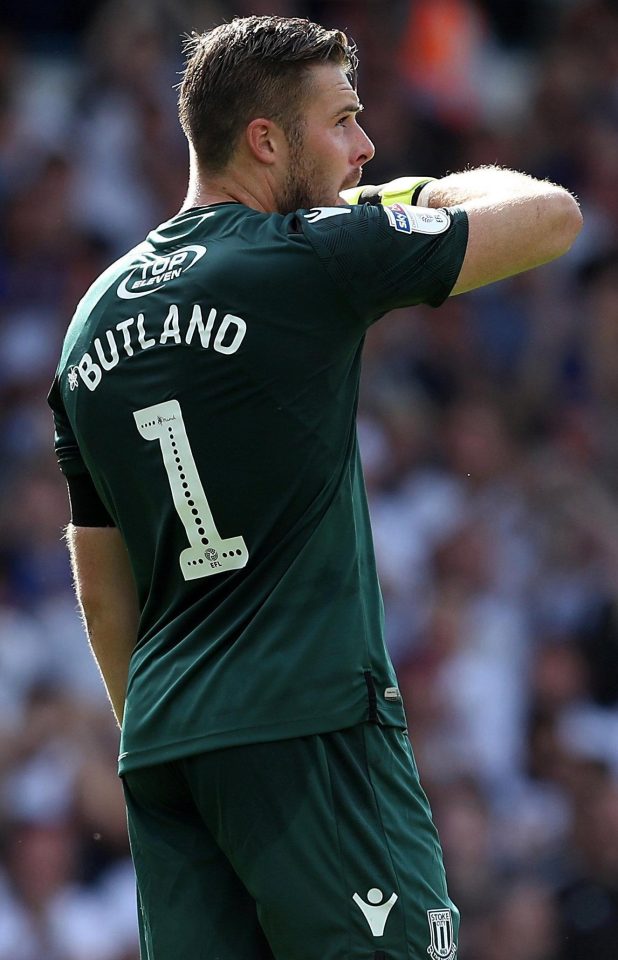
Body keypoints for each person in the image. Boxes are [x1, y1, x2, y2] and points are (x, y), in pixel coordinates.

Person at [48, 14, 582, 960]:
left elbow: (100, 587)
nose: (365, 147)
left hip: (170, 745)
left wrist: (182, 731)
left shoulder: (90, 320)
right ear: (266, 140)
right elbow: (551, 217)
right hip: (311, 726)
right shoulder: (307, 253)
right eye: (342, 120)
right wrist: (409, 193)